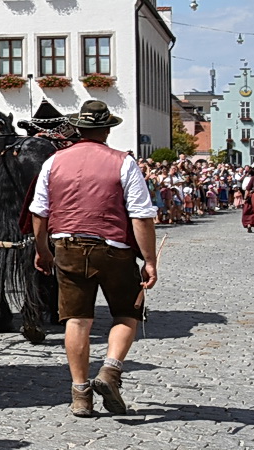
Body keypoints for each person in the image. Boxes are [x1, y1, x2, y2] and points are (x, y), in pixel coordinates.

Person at [30, 100, 159, 419]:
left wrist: (42, 250)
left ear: (78, 128)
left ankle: (80, 394)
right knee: (128, 313)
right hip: (113, 247)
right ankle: (110, 372)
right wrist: (150, 260)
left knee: (77, 320)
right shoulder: (123, 162)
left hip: (67, 246)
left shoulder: (54, 162)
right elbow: (141, 216)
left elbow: (39, 211)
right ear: (107, 130)